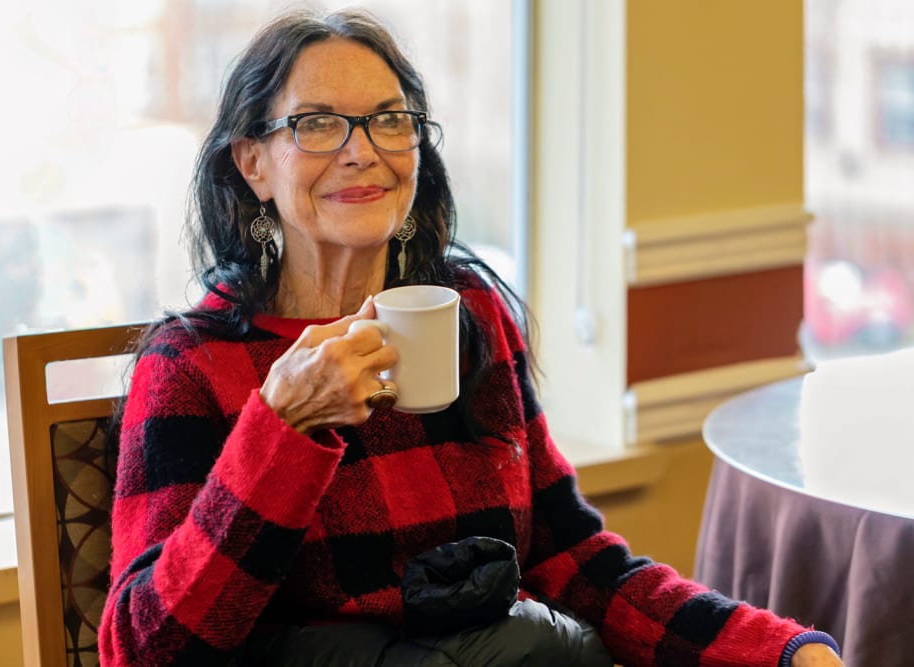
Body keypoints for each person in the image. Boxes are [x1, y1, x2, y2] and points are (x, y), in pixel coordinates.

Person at [98, 8, 846, 667]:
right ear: (252, 163)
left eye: (390, 120)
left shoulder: (471, 311)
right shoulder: (194, 365)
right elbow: (144, 649)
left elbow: (572, 559)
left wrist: (777, 649)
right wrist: (283, 428)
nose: (363, 151)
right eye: (317, 124)